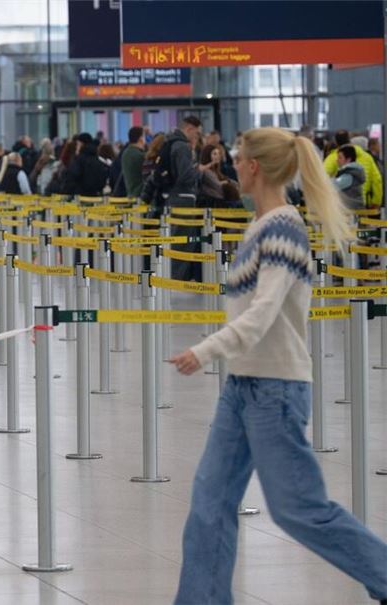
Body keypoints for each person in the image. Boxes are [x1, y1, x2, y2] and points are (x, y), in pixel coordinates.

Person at [170, 127, 387, 605]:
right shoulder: (261, 225)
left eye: (238, 158)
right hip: (242, 387)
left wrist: (204, 351)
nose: (232, 164)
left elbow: (262, 315)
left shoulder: (284, 229)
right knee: (209, 503)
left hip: (276, 390)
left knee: (299, 510)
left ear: (254, 167)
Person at [142, 116, 204, 280]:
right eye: (197, 133)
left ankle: (170, 279)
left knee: (174, 241)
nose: (197, 137)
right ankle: (175, 281)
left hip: (171, 197)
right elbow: (186, 176)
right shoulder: (182, 146)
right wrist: (199, 171)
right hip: (183, 199)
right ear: (189, 128)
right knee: (181, 244)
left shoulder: (170, 143)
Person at [322, 129, 382, 208]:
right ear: (349, 140)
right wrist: (376, 201)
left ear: (336, 142)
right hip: (364, 202)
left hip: (345, 203)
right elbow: (377, 180)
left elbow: (322, 176)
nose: (337, 160)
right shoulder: (367, 157)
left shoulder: (333, 157)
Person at [333, 144, 366, 210]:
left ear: (348, 159)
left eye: (340, 157)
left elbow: (333, 186)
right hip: (355, 207)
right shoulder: (353, 172)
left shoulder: (349, 175)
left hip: (351, 209)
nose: (337, 160)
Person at [120, 126, 147, 198]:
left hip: (130, 193)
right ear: (141, 139)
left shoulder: (126, 152)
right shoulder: (139, 155)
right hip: (140, 194)